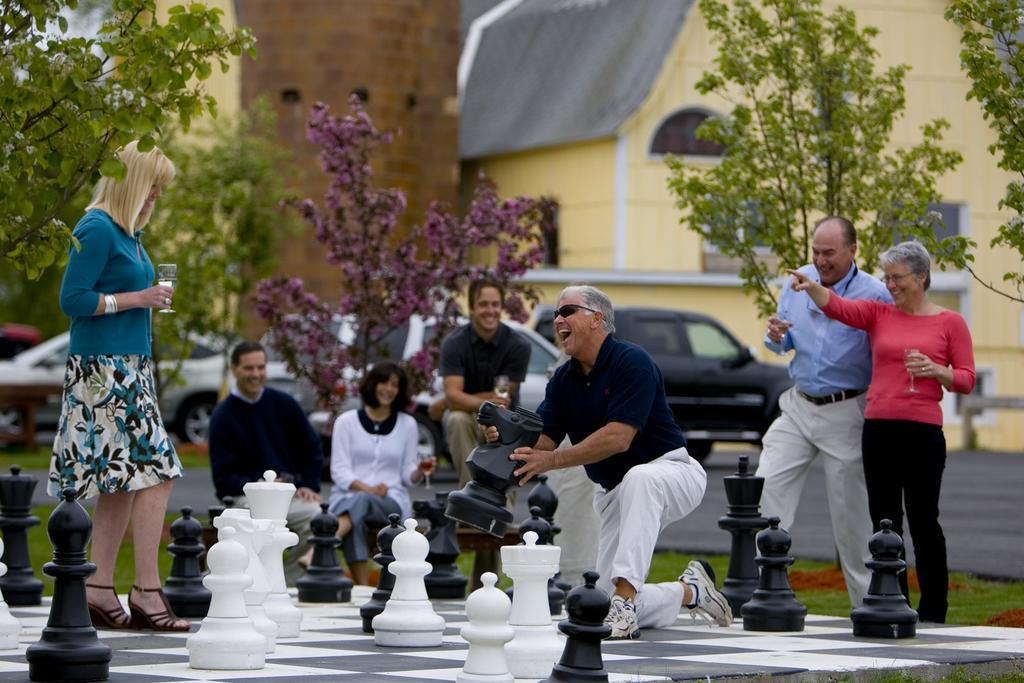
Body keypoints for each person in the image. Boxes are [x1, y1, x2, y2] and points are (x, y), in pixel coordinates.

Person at [508, 285, 731, 639]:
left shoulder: (632, 361)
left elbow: (618, 438)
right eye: (556, 314)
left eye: (568, 311)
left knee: (641, 479)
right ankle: (689, 592)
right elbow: (542, 441)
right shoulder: (563, 379)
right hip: (613, 492)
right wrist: (506, 438)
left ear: (598, 319)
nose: (558, 319)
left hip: (673, 472)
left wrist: (552, 460)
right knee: (599, 606)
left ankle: (625, 602)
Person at [788, 240, 975, 623]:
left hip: (923, 433)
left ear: (921, 277)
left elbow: (968, 379)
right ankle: (895, 604)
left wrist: (938, 371)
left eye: (897, 277)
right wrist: (812, 286)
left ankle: (934, 610)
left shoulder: (950, 322)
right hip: (878, 430)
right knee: (884, 521)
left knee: (924, 521)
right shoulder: (878, 314)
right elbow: (840, 307)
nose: (889, 284)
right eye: (886, 277)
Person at [50, 140, 188, 631]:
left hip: (129, 367)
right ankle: (146, 591)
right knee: (157, 471)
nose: (156, 195)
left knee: (124, 481)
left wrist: (142, 301)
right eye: (153, 186)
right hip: (103, 370)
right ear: (132, 182)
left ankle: (99, 587)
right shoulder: (97, 227)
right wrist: (137, 298)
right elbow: (73, 299)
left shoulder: (130, 235)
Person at [757, 216, 892, 608]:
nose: (820, 260)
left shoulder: (876, 293)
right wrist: (777, 337)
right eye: (815, 251)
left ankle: (869, 608)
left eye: (829, 253)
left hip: (846, 410)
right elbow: (783, 341)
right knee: (764, 488)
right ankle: (766, 593)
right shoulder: (795, 282)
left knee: (851, 516)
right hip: (798, 405)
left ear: (852, 250)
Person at [208, 341, 324, 585]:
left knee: (316, 517)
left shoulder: (285, 404)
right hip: (245, 499)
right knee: (246, 527)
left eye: (261, 367)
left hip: (289, 495)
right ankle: (252, 585)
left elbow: (312, 449)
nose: (256, 374)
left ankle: (288, 585)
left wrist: (309, 485)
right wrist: (259, 485)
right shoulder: (222, 416)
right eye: (249, 368)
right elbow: (223, 479)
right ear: (234, 369)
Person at [327, 361, 434, 584]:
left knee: (360, 503)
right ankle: (363, 588)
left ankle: (327, 540)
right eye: (383, 383)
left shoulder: (408, 424)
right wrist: (368, 489)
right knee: (357, 516)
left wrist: (419, 472)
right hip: (348, 498)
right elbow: (339, 470)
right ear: (372, 385)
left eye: (395, 385)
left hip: (390, 502)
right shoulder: (346, 422)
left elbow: (407, 474)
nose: (388, 389)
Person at [440, 279, 531, 488]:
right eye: (483, 304)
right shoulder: (453, 343)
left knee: (501, 511)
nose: (490, 310)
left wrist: (459, 399)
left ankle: (497, 508)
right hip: (469, 418)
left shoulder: (518, 345)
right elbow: (453, 397)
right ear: (471, 308)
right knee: (456, 420)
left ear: (501, 307)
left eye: (495, 304)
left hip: (505, 420)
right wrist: (456, 400)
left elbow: (501, 400)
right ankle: (469, 497)